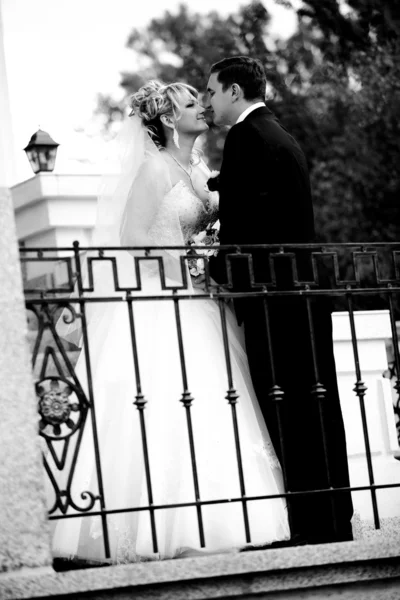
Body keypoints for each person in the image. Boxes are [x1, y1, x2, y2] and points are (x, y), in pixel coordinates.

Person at [50, 80, 290, 565]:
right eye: (189, 104)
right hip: (166, 301)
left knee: (216, 399)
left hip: (204, 300)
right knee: (164, 402)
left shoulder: (200, 167)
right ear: (164, 118)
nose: (202, 108)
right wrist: (188, 267)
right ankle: (162, 525)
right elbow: (133, 237)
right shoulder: (154, 170)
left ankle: (226, 516)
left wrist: (209, 260)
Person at [207, 56, 354, 545]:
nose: (208, 102)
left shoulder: (246, 139)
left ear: (233, 91)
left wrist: (215, 272)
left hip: (276, 300)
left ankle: (311, 527)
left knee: (287, 408)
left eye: (211, 92)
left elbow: (247, 225)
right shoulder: (281, 134)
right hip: (304, 294)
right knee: (316, 405)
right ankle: (332, 518)